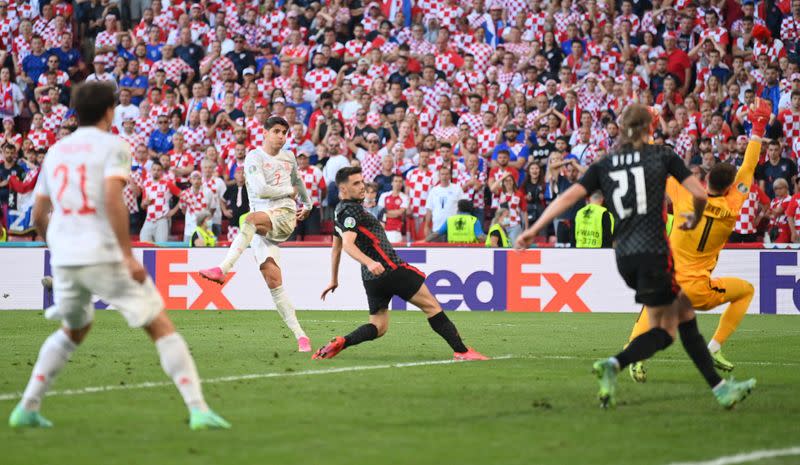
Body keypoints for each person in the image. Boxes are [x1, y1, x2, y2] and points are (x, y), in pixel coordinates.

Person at [9, 82, 228, 430]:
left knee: (75, 329)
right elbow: (113, 198)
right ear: (111, 111)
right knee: (160, 325)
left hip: (63, 255)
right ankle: (199, 410)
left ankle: (27, 407)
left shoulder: (56, 151)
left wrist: (57, 245)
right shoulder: (114, 147)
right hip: (100, 250)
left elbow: (38, 213)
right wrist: (127, 255)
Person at [515, 103, 755, 409]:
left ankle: (721, 389)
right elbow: (698, 193)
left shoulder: (605, 163)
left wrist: (533, 229)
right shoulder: (662, 156)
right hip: (653, 251)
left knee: (683, 315)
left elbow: (568, 196)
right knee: (667, 331)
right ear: (649, 129)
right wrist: (694, 218)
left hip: (623, 256)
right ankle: (615, 363)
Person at [625, 98, 772, 381]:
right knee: (745, 291)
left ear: (705, 182)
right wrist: (757, 129)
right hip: (698, 289)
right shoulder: (732, 207)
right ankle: (715, 347)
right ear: (730, 188)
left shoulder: (685, 195)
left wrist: (651, 130)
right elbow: (748, 169)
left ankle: (634, 354)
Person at [312, 166, 488, 361]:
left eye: (362, 181)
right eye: (356, 183)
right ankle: (462, 351)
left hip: (372, 279)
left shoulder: (338, 211)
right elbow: (347, 245)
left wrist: (333, 279)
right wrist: (370, 262)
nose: (362, 186)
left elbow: (336, 247)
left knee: (379, 327)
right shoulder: (352, 210)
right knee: (431, 307)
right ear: (343, 189)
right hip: (390, 269)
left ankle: (342, 341)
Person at [199, 116, 313, 353]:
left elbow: (298, 181)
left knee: (248, 219)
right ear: (265, 132)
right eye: (277, 131)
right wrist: (289, 190)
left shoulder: (289, 156)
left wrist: (308, 203)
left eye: (284, 132)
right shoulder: (254, 157)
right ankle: (301, 336)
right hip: (263, 223)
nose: (281, 136)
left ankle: (223, 269)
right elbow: (261, 189)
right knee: (274, 282)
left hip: (283, 215)